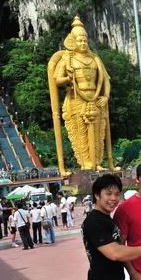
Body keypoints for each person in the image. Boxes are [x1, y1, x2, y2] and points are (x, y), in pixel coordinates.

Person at [47, 15, 115, 174]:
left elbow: (106, 79)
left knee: (98, 132)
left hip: (95, 98)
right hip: (76, 99)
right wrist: (68, 77)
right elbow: (56, 80)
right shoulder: (68, 59)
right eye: (79, 41)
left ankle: (98, 162)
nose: (83, 43)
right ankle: (85, 163)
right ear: (73, 42)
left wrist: (105, 96)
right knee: (81, 133)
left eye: (85, 40)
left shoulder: (95, 59)